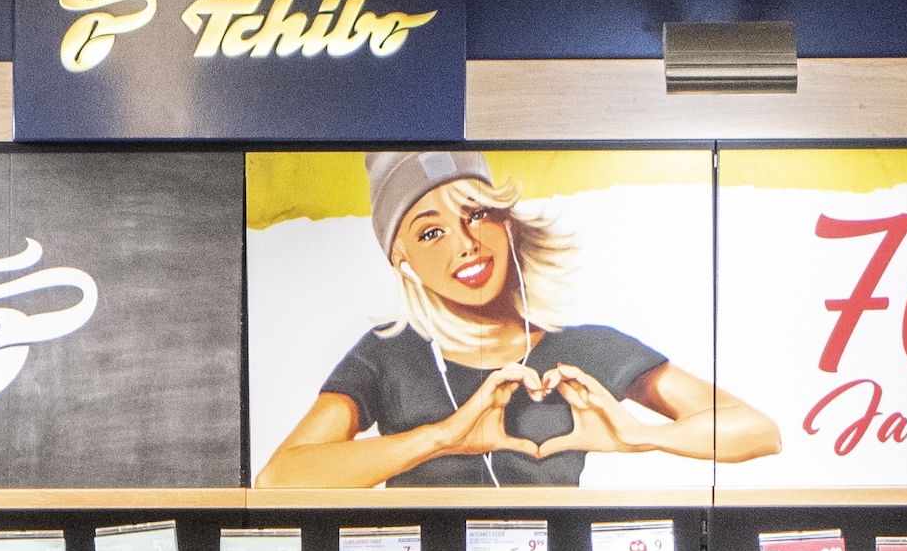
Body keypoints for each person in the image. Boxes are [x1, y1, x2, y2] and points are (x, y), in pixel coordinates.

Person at [258, 149, 775, 490]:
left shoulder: (585, 350)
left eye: (477, 213)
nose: (466, 246)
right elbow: (279, 478)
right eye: (431, 233)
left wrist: (639, 436)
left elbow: (757, 430)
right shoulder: (388, 354)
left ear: (507, 221)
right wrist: (442, 437)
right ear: (403, 261)